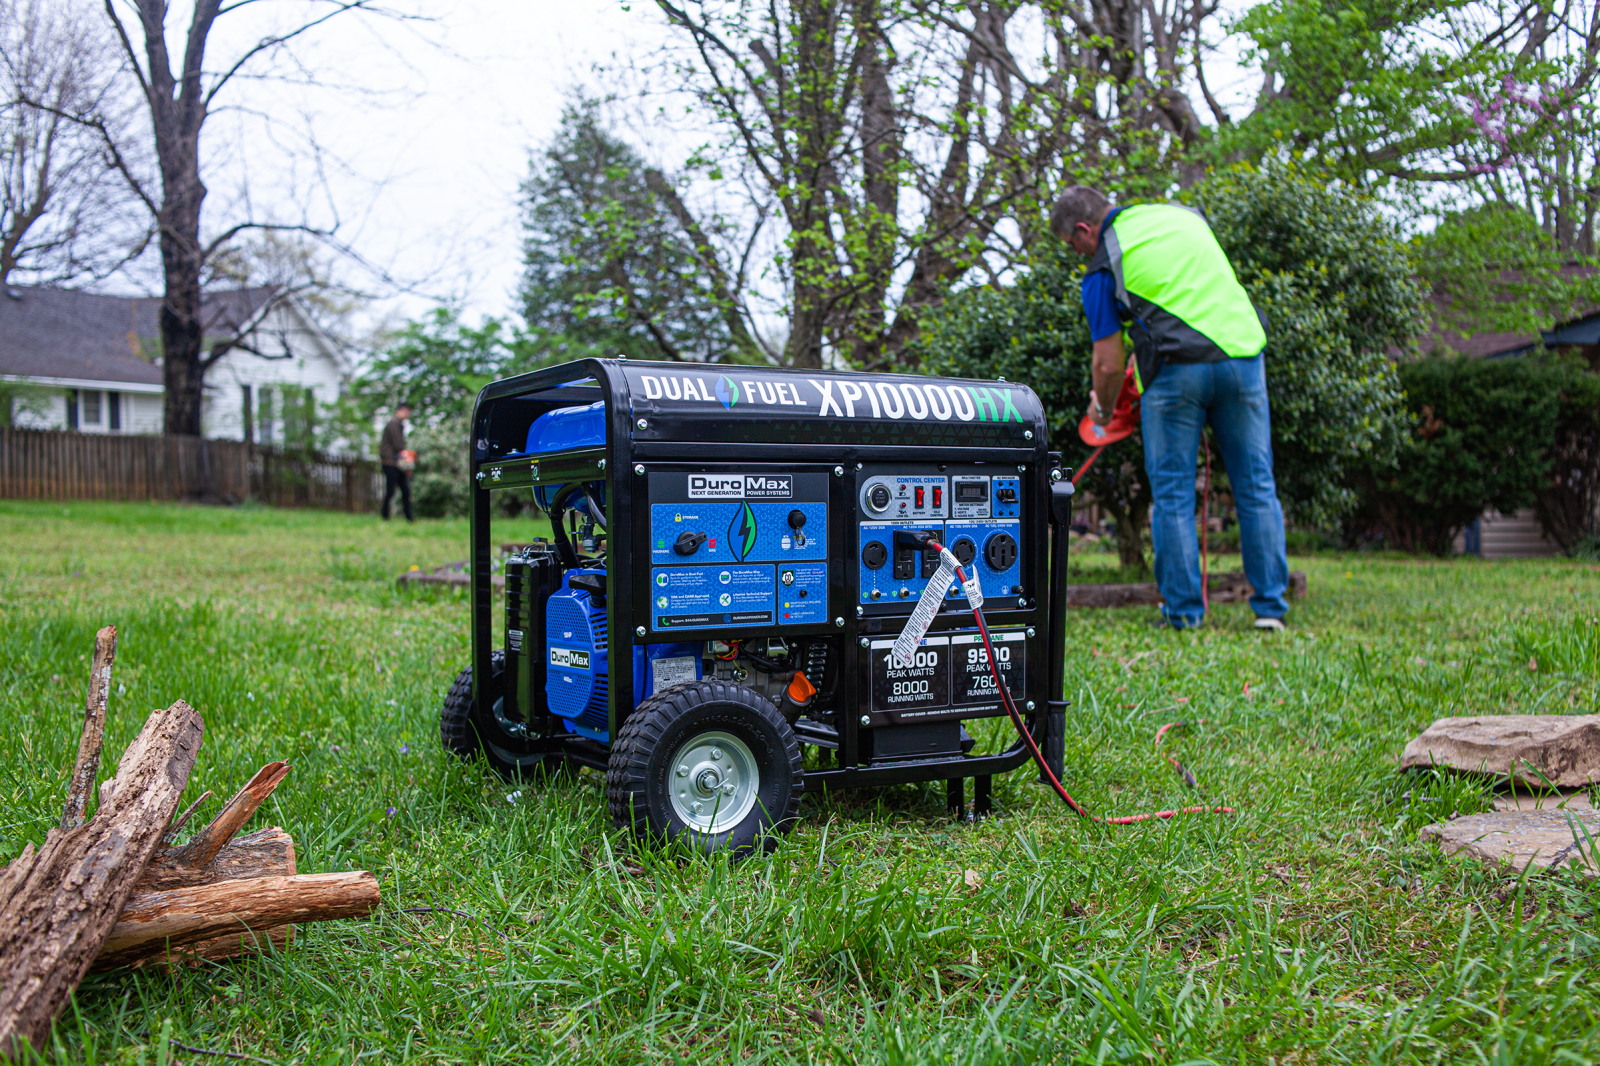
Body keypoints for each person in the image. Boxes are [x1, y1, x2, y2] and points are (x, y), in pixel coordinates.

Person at [1051, 185, 1288, 631]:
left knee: (1174, 496)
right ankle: (1270, 611)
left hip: (1178, 373)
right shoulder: (1182, 215)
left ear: (1084, 230)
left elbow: (1107, 360)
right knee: (1256, 486)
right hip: (1243, 357)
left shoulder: (1104, 266)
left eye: (1072, 246)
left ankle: (1183, 613)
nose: (1077, 254)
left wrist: (1102, 412)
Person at [379, 402, 414, 523]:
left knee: (403, 490)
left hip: (395, 462)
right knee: (392, 490)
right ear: (402, 411)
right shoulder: (394, 424)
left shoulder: (397, 424)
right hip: (391, 462)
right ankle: (385, 515)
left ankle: (408, 517)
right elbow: (398, 444)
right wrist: (407, 456)